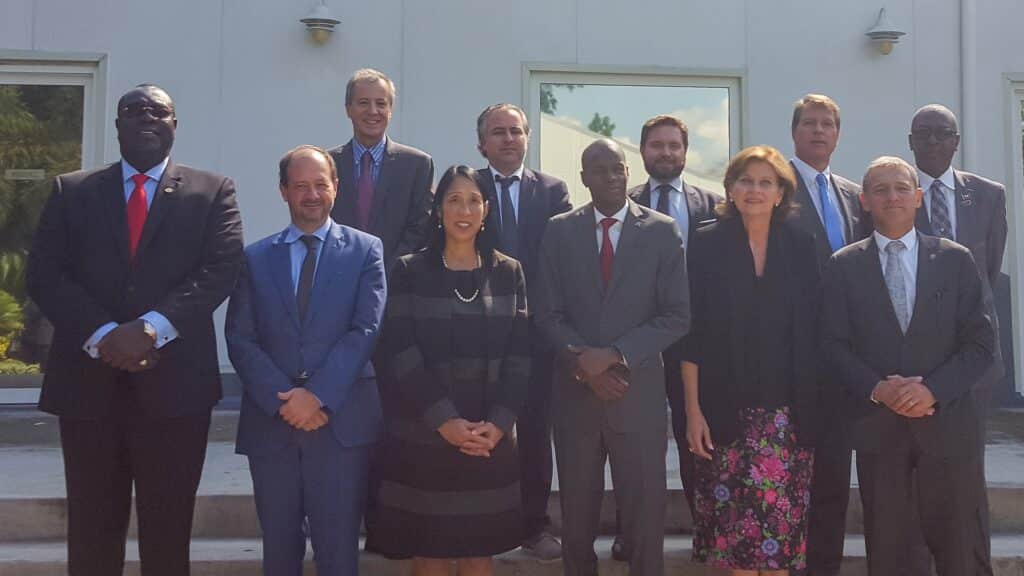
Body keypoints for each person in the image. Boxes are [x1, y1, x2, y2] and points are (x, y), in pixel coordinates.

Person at [25, 84, 244, 575]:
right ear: (118, 124)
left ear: (174, 124)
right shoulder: (72, 190)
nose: (146, 117)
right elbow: (45, 274)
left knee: (168, 534)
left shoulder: (212, 192)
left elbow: (220, 270)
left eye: (158, 110)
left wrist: (149, 329)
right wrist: (104, 334)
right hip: (87, 387)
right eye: (134, 110)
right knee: (91, 532)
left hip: (175, 391)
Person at [821, 156, 994, 575]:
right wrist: (879, 389)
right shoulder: (843, 265)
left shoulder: (955, 260)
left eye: (901, 187)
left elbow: (981, 342)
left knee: (958, 550)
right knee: (890, 551)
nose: (892, 196)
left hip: (949, 429)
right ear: (864, 201)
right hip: (881, 433)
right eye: (880, 189)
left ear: (918, 197)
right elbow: (832, 345)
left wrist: (932, 390)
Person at [225, 146, 386, 575]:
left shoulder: (366, 251)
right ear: (283, 192)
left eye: (320, 184)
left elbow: (365, 330)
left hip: (340, 423)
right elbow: (240, 337)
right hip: (271, 425)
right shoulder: (255, 258)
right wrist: (285, 401)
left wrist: (317, 397)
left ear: (336, 187)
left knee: (337, 554)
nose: (311, 194)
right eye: (300, 186)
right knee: (279, 552)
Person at [535, 139, 689, 576]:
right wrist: (584, 366)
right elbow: (546, 313)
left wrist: (616, 356)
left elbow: (677, 316)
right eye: (599, 170)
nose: (611, 177)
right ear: (583, 178)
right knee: (578, 523)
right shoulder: (559, 230)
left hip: (636, 393)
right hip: (575, 397)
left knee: (644, 521)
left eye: (618, 168)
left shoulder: (661, 231)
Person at [367, 165, 529, 576]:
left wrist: (499, 422)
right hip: (424, 435)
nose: (465, 209)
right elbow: (401, 351)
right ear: (438, 210)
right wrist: (444, 421)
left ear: (487, 209)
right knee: (431, 554)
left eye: (474, 200)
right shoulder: (408, 269)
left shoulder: (508, 271)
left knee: (479, 553)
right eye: (454, 200)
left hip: (488, 437)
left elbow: (521, 354)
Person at [682, 145, 819, 575]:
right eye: (746, 180)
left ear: (781, 193)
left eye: (765, 182)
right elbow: (693, 335)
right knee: (737, 550)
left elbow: (814, 332)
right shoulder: (706, 242)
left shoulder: (801, 243)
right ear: (730, 188)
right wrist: (692, 411)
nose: (755, 190)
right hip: (725, 414)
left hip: (786, 417)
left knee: (777, 550)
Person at [611, 114, 721, 562]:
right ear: (642, 151)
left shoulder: (713, 205)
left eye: (674, 145)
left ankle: (707, 529)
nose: (666, 153)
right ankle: (629, 532)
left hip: (699, 345)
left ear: (685, 151)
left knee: (700, 441)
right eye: (657, 145)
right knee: (633, 445)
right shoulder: (621, 202)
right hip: (639, 344)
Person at [909, 104, 1007, 575]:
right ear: (910, 141)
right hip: (914, 364)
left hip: (973, 363)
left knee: (968, 476)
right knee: (918, 475)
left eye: (941, 133)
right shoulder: (895, 193)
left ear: (956, 140)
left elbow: (985, 276)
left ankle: (975, 566)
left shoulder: (988, 196)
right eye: (922, 134)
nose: (931, 142)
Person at [474, 103, 572, 560]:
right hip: (477, 333)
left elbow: (565, 262)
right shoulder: (464, 189)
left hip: (535, 336)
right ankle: (478, 524)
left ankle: (534, 526)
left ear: (528, 138)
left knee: (534, 433)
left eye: (516, 131)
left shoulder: (552, 191)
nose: (508, 139)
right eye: (498, 132)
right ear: (482, 143)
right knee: (480, 427)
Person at [786, 94, 869, 576]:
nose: (819, 131)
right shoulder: (775, 190)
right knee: (795, 480)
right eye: (810, 123)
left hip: (844, 363)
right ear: (794, 131)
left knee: (836, 478)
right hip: (791, 361)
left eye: (828, 124)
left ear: (837, 135)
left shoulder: (853, 193)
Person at [329, 68, 434, 270]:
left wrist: (385, 271)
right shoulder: (328, 164)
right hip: (338, 278)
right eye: (363, 103)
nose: (373, 111)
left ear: (390, 110)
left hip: (397, 284)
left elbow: (421, 228)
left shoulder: (417, 165)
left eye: (381, 103)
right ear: (348, 109)